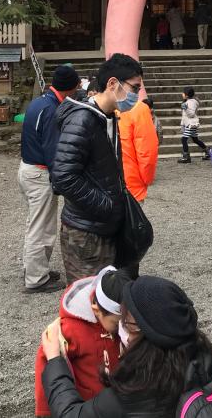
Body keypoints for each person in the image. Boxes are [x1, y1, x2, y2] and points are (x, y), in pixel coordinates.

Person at [41, 275, 212, 418]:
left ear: (139, 333)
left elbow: (71, 414)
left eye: (125, 321)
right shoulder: (204, 351)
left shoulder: (133, 390)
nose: (121, 326)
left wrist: (55, 361)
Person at [52, 54, 143, 282]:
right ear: (113, 83)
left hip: (105, 225)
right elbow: (62, 177)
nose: (136, 95)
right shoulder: (83, 119)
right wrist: (107, 206)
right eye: (134, 88)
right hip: (86, 231)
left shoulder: (108, 117)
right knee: (89, 303)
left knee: (112, 299)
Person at [35, 266, 129, 417]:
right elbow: (46, 363)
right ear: (96, 309)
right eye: (117, 323)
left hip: (114, 402)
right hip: (84, 405)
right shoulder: (71, 329)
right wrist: (44, 410)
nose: (123, 328)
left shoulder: (117, 320)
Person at [19, 65, 80, 293]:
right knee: (41, 227)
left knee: (35, 223)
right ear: (71, 87)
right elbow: (53, 150)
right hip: (39, 172)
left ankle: (35, 269)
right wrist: (62, 180)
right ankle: (36, 279)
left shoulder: (39, 102)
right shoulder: (53, 109)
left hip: (27, 168)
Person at [117, 98, 158, 204]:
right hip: (131, 182)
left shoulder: (91, 108)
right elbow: (147, 151)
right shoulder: (139, 109)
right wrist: (146, 179)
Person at [178, 87, 210, 164]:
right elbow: (184, 116)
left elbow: (191, 114)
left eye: (183, 93)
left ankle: (186, 157)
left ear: (186, 95)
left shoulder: (191, 102)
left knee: (184, 139)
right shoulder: (188, 101)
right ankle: (208, 152)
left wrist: (185, 108)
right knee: (195, 140)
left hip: (191, 124)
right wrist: (182, 125)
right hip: (189, 124)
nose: (182, 94)